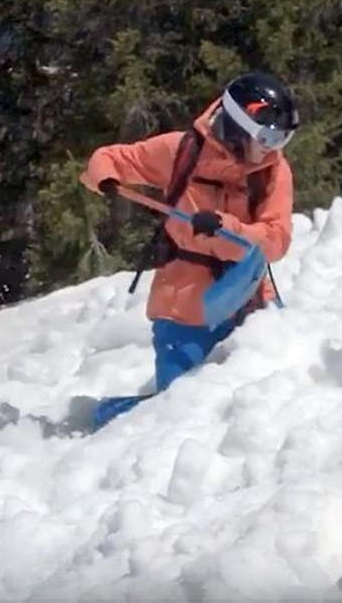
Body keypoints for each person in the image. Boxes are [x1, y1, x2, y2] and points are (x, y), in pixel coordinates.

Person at [79, 72, 298, 424]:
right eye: (268, 137)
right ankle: (111, 419)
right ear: (239, 128)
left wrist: (228, 229)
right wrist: (104, 176)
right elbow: (112, 158)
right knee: (179, 410)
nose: (274, 148)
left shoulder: (273, 171)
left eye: (284, 138)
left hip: (249, 299)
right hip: (185, 308)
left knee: (274, 398)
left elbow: (276, 240)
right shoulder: (181, 151)